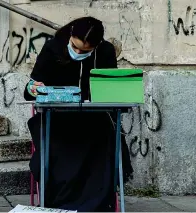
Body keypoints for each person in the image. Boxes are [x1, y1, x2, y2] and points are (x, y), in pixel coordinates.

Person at [24, 17, 133, 211]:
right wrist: (34, 87)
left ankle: (97, 202)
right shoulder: (53, 48)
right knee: (58, 147)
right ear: (71, 34)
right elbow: (31, 87)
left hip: (95, 120)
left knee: (104, 141)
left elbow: (111, 89)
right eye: (75, 47)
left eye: (85, 51)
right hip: (57, 120)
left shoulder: (105, 51)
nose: (78, 53)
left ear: (96, 45)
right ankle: (59, 201)